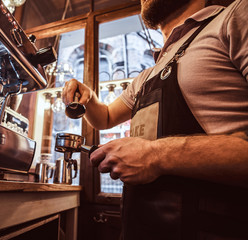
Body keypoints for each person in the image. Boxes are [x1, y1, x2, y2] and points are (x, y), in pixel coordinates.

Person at [62, 0, 248, 239]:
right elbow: (105, 118)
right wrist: (88, 98)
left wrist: (156, 155)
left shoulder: (234, 17)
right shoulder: (147, 75)